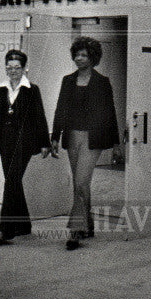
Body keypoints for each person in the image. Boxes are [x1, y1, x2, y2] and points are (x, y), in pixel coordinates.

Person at [51, 36, 121, 250]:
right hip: (72, 136)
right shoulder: (67, 80)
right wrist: (54, 136)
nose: (79, 58)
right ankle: (88, 226)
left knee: (81, 181)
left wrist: (116, 143)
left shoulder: (102, 82)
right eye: (77, 54)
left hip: (93, 139)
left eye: (84, 55)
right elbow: (60, 109)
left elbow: (110, 113)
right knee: (79, 183)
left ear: (93, 57)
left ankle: (75, 231)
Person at [0, 49, 50, 245]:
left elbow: (39, 116)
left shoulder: (32, 90)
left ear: (25, 68)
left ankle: (5, 229)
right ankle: (24, 224)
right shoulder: (1, 90)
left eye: (17, 67)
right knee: (14, 183)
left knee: (10, 182)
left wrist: (45, 142)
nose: (13, 71)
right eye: (9, 67)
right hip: (5, 142)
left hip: (24, 142)